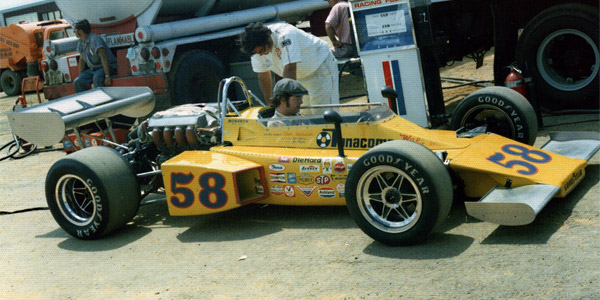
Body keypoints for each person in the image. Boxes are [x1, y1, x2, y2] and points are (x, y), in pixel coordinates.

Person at [239, 22, 339, 114]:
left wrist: (284, 101)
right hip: (299, 77)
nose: (261, 54)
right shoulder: (256, 49)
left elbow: (290, 68)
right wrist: (270, 105)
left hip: (320, 68)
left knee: (324, 115)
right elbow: (263, 76)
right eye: (257, 53)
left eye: (262, 50)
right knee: (304, 116)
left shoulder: (285, 35)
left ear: (268, 38)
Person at [72, 19, 117, 93]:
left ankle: (101, 101)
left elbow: (103, 57)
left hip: (105, 67)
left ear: (80, 31)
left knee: (97, 78)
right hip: (93, 69)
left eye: (75, 30)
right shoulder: (80, 42)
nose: (74, 32)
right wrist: (81, 76)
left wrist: (107, 76)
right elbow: (82, 60)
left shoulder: (95, 40)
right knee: (78, 81)